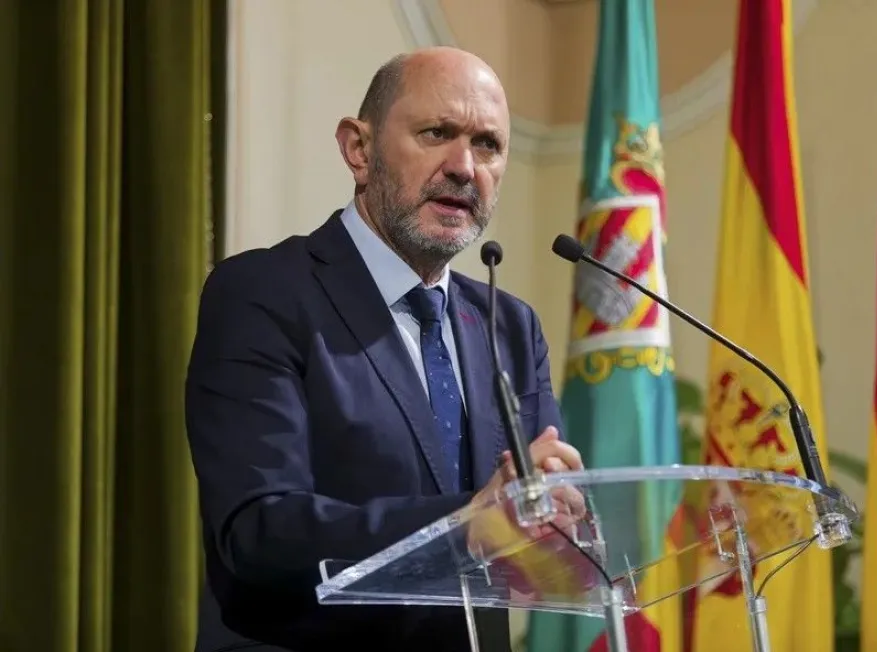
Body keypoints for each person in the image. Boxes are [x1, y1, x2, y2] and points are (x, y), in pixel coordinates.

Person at [184, 46, 583, 652]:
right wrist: (466, 528)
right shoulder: (262, 295)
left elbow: (533, 547)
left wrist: (556, 519)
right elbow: (259, 532)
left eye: (487, 146)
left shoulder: (509, 326)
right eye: (436, 133)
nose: (464, 166)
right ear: (358, 149)